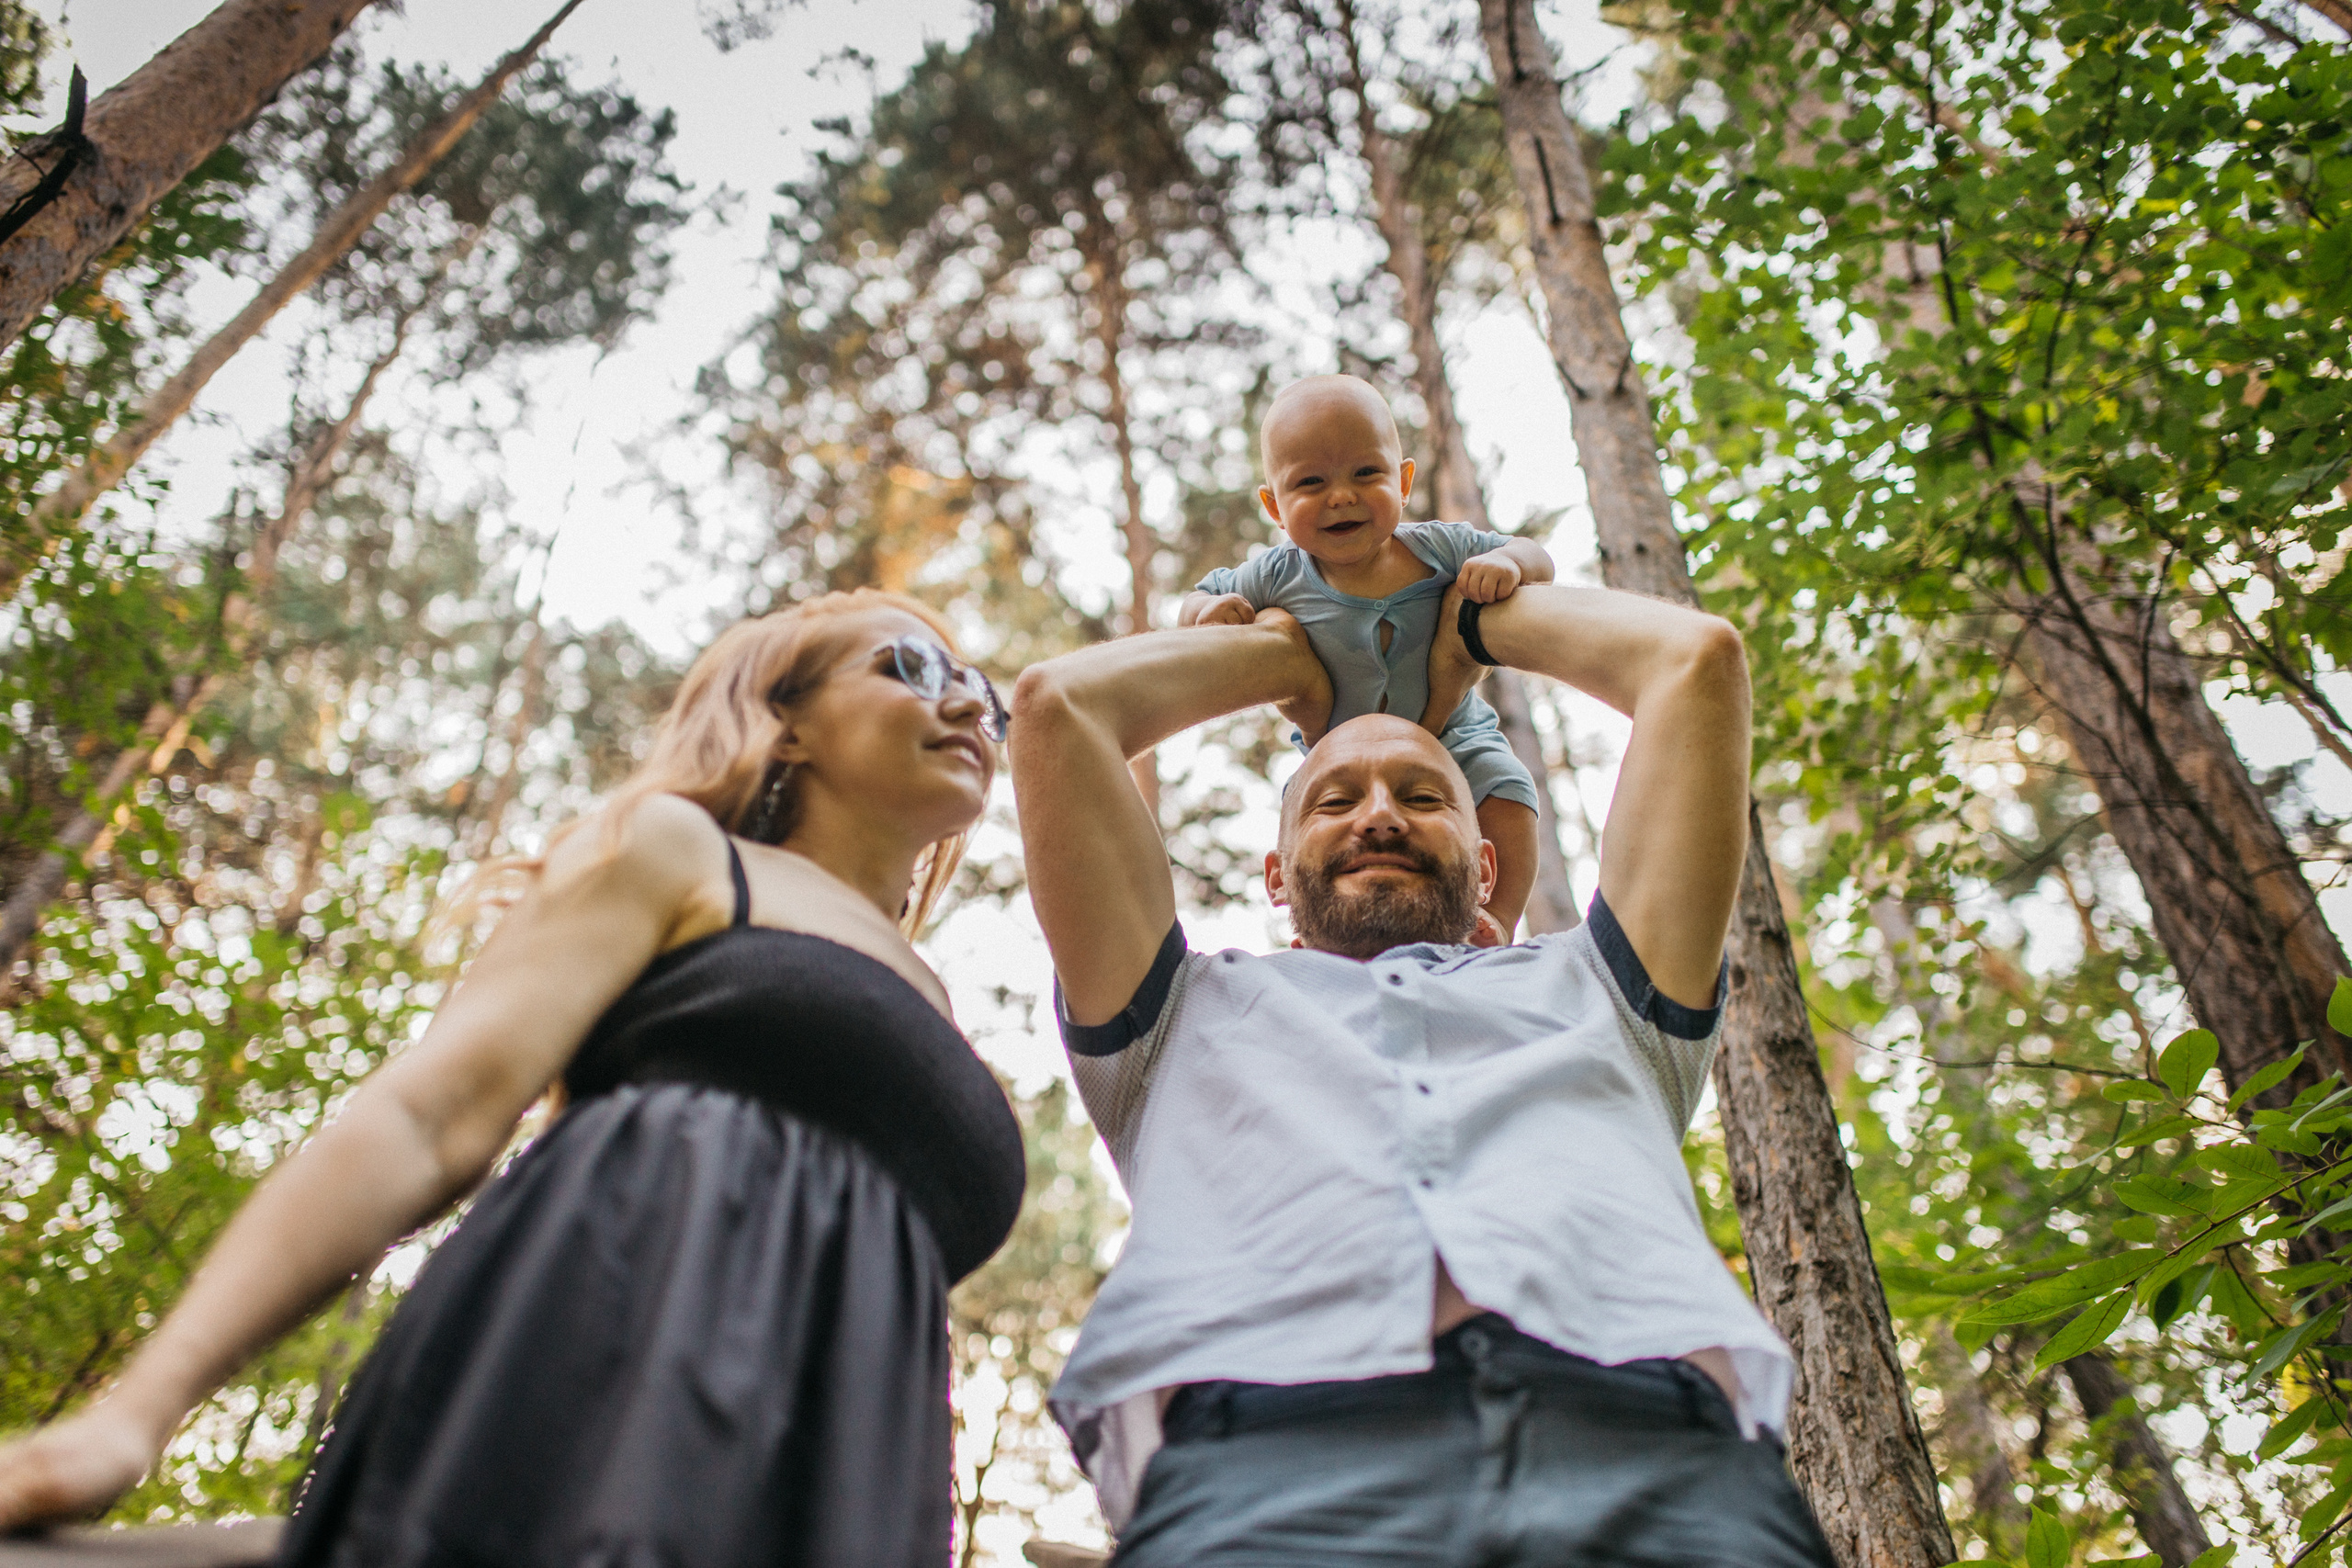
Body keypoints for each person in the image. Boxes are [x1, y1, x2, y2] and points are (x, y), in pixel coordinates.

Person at [0, 590, 1026, 1568]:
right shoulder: (681, 854)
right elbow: (426, 1117)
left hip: (841, 1471)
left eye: (979, 685)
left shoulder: (931, 999)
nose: (964, 701)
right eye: (910, 667)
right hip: (591, 1380)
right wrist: (136, 1417)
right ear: (787, 727)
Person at [1009, 581, 1833, 1565]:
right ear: (1276, 876)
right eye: (1335, 798)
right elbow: (1058, 708)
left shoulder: (1605, 988)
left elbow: (1694, 663)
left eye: (1423, 794)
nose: (1380, 816)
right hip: (1264, 1469)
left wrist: (1468, 627)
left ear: (1486, 867)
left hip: (1651, 1446)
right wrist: (1290, 655)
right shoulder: (1171, 1015)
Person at [1179, 374, 1552, 941]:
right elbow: (1198, 597)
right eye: (1310, 482)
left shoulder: (1439, 547)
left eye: (1366, 473)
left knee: (1507, 788)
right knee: (1305, 826)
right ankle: (1319, 936)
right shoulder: (1279, 574)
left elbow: (1535, 555)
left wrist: (1512, 566)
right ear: (1274, 506)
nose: (1341, 496)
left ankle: (1495, 921)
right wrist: (1209, 614)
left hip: (1453, 733)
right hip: (1335, 750)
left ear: (1403, 482)